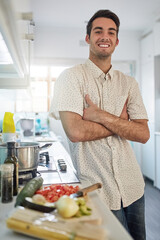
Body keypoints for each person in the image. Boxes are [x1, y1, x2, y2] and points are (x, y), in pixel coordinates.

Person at [49, 9, 150, 240]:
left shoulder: (129, 84)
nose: (105, 36)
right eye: (98, 31)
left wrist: (100, 116)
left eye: (111, 32)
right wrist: (122, 122)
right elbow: (75, 131)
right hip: (97, 190)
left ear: (116, 40)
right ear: (88, 38)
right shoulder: (71, 78)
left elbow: (143, 133)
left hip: (133, 186)